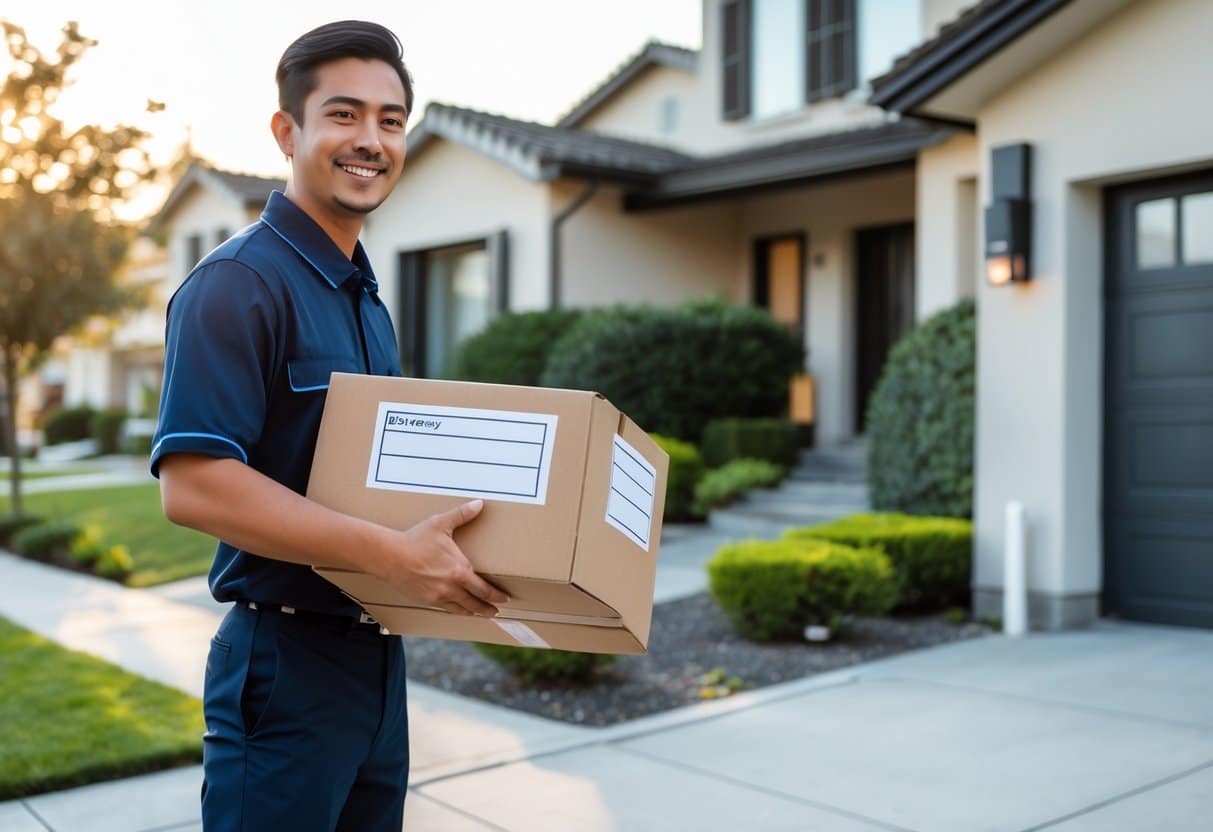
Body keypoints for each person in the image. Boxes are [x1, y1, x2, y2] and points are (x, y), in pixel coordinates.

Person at [153, 20, 509, 832]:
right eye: (344, 115)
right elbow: (194, 485)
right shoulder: (237, 284)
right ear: (288, 131)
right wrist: (392, 555)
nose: (371, 140)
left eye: (390, 120)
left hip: (374, 660)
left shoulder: (363, 299)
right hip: (284, 666)